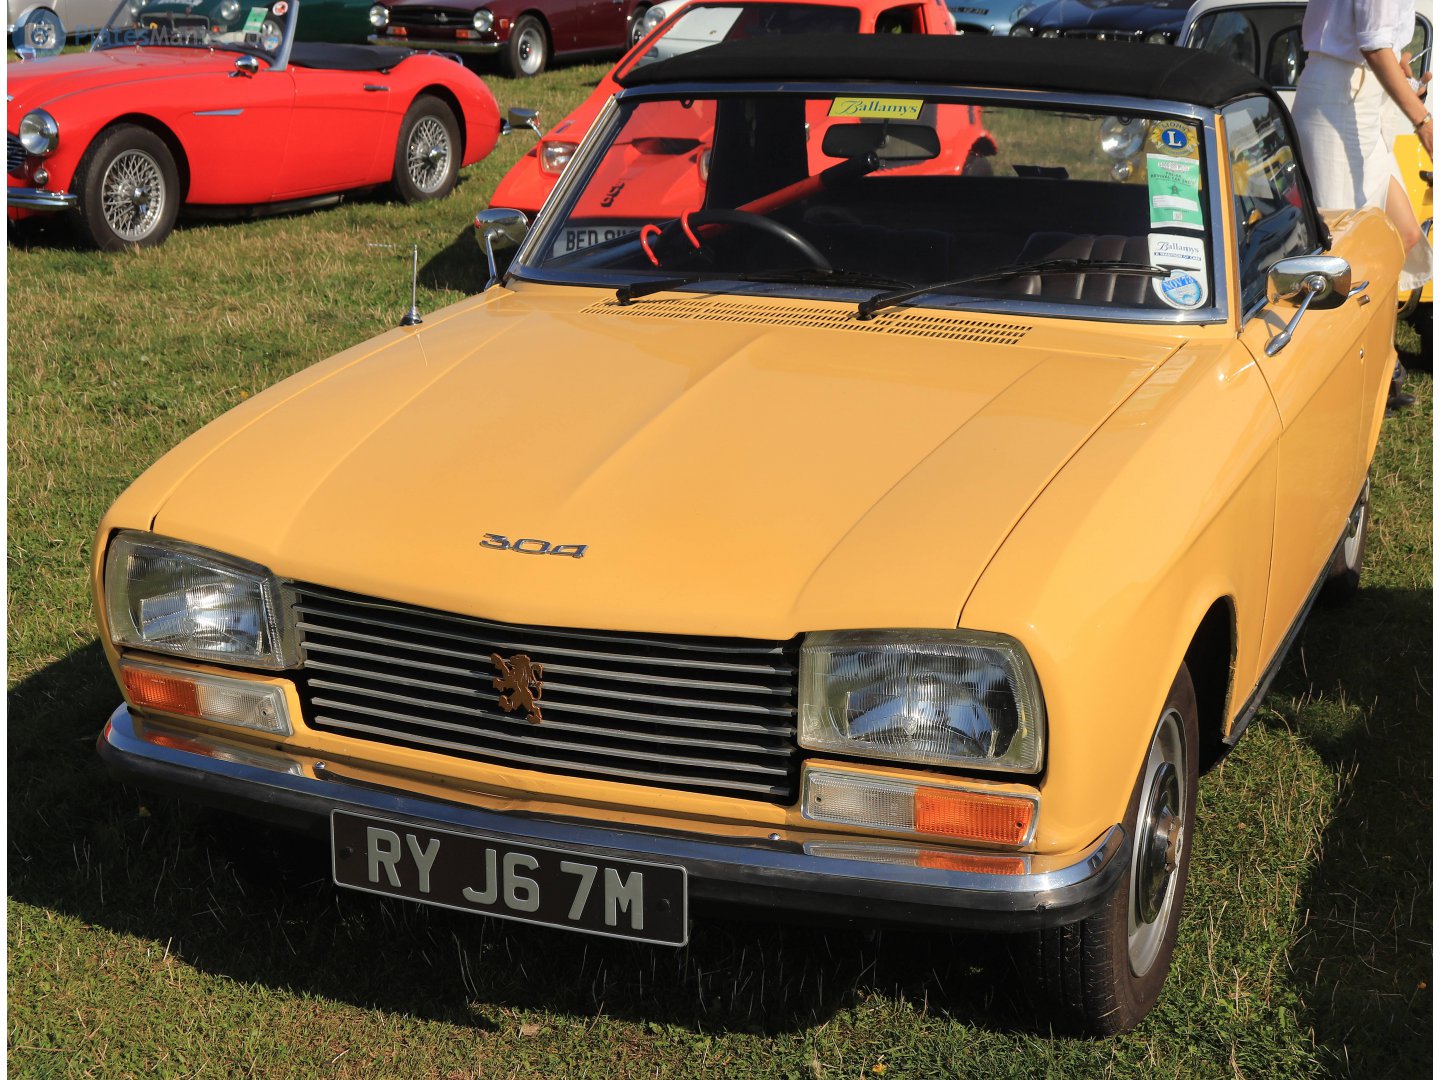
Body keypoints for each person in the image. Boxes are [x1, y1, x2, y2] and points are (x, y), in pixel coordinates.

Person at [1291, 0, 1432, 412]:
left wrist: (1403, 71)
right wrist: (1423, 121)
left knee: (1402, 237)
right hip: (1335, 103)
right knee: (1338, 259)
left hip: (1366, 104)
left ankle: (1379, 364)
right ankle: (1333, 381)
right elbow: (1371, 43)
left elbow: (1381, 40)